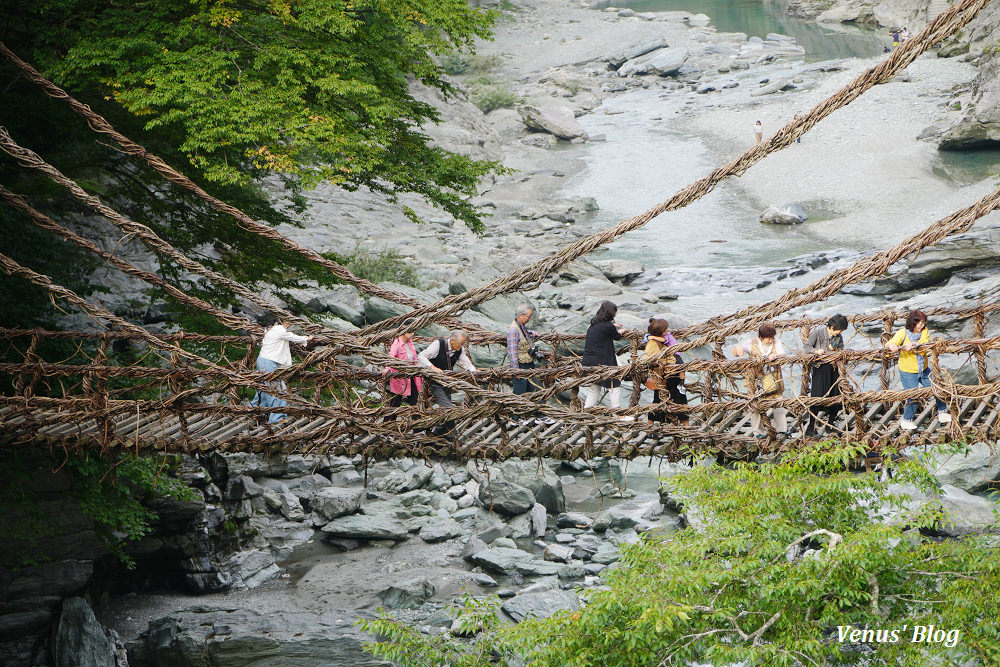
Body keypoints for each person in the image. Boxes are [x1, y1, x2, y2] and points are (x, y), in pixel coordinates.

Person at [885, 310, 950, 430]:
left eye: (923, 323)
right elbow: (890, 344)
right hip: (908, 371)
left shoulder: (924, 331)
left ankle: (943, 412)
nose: (922, 325)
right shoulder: (902, 333)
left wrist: (914, 344)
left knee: (937, 387)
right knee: (913, 396)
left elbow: (924, 345)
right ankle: (906, 420)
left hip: (923, 369)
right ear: (913, 322)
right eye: (920, 323)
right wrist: (892, 346)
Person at [249, 317, 313, 424]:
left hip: (263, 361)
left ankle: (254, 412)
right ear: (282, 321)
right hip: (268, 362)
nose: (290, 325)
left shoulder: (271, 329)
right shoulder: (279, 329)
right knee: (278, 390)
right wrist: (306, 338)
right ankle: (276, 418)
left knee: (264, 389)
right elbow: (291, 336)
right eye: (289, 322)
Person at [418, 329, 478, 437]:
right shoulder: (438, 344)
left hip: (446, 383)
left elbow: (466, 363)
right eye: (460, 343)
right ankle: (453, 436)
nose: (462, 346)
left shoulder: (459, 349)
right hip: (434, 383)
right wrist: (432, 368)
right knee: (449, 409)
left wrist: (475, 373)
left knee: (446, 408)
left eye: (463, 343)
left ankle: (437, 433)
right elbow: (421, 356)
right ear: (452, 342)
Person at [732, 323, 788, 438]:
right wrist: (738, 349)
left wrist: (776, 356)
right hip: (756, 379)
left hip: (773, 378)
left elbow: (783, 354)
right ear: (761, 338)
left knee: (778, 401)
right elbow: (736, 352)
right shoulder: (752, 343)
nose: (771, 341)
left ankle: (781, 429)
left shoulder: (776, 341)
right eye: (768, 339)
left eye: (772, 338)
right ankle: (758, 431)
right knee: (756, 404)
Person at [582, 301, 632, 421]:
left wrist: (613, 327)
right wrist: (621, 331)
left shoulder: (593, 323)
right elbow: (617, 336)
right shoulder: (609, 326)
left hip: (588, 360)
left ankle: (586, 412)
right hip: (602, 361)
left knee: (595, 387)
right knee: (614, 386)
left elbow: (603, 332)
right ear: (611, 313)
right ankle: (617, 414)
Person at [507, 304, 554, 425]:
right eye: (529, 316)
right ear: (521, 316)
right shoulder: (513, 330)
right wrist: (515, 370)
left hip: (528, 363)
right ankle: (514, 418)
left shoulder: (521, 326)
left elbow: (524, 334)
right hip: (520, 366)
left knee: (536, 388)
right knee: (520, 391)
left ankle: (540, 415)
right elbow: (512, 352)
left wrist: (532, 333)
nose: (530, 318)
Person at [804, 314, 849, 437]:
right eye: (840, 330)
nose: (840, 332)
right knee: (817, 397)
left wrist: (837, 355)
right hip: (820, 369)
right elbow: (807, 347)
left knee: (836, 396)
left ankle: (830, 425)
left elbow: (841, 349)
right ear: (832, 327)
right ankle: (810, 427)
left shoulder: (839, 337)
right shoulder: (818, 333)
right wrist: (816, 352)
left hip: (834, 369)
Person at [643, 318, 688, 423]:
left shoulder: (665, 337)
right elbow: (647, 358)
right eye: (665, 329)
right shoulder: (653, 343)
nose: (667, 330)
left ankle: (677, 424)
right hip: (665, 374)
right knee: (671, 398)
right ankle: (677, 424)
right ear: (661, 331)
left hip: (672, 370)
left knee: (675, 397)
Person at [385, 318, 423, 414]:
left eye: (413, 332)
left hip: (411, 376)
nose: (412, 334)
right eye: (410, 332)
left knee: (415, 400)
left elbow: (414, 359)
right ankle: (389, 423)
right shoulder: (397, 343)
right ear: (404, 331)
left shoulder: (410, 343)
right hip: (399, 377)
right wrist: (387, 368)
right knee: (395, 402)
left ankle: (417, 426)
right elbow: (391, 356)